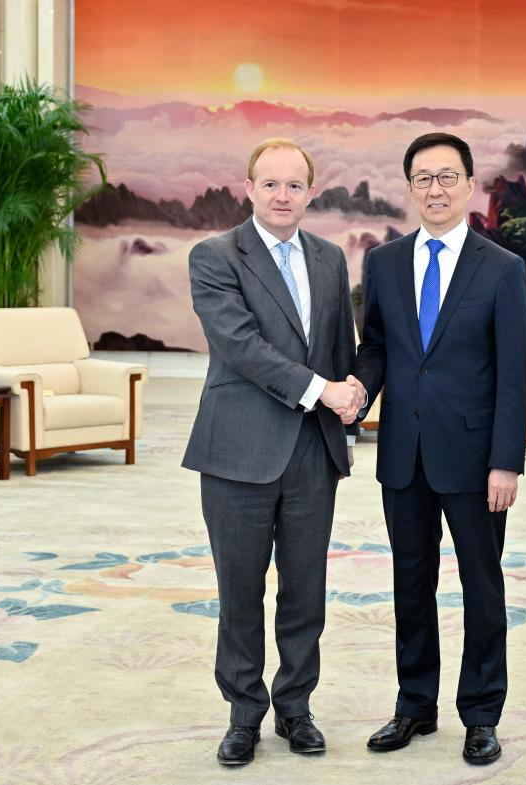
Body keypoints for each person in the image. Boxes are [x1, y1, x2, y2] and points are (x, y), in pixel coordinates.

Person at [351, 132, 526, 765]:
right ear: (410, 188)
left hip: (476, 460)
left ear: (469, 184)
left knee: (482, 587)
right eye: (423, 178)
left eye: (447, 176)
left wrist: (506, 461)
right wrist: (357, 392)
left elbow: (514, 373)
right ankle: (414, 705)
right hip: (404, 453)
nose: (436, 189)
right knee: (410, 582)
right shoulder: (384, 263)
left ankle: (481, 714)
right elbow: (376, 347)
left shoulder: (502, 268)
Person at [183, 138, 364, 766]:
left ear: (310, 192)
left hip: (313, 450)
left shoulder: (329, 259)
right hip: (238, 450)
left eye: (294, 185)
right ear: (249, 189)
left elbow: (340, 347)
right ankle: (243, 715)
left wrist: (352, 400)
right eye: (270, 184)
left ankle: (295, 708)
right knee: (239, 592)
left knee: (305, 591)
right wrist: (323, 390)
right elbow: (240, 345)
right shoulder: (214, 256)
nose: (282, 196)